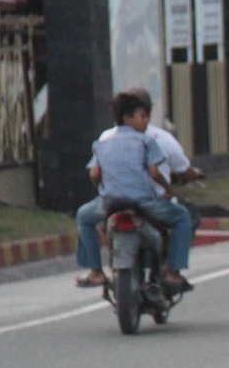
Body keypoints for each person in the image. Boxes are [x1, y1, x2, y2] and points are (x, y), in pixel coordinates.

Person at [75, 91, 194, 292]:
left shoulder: (102, 143)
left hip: (109, 203)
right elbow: (155, 172)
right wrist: (168, 189)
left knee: (83, 217)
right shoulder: (147, 141)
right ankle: (173, 274)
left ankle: (95, 271)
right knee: (182, 217)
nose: (146, 121)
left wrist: (105, 189)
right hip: (144, 203)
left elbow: (94, 175)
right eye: (142, 116)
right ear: (127, 118)